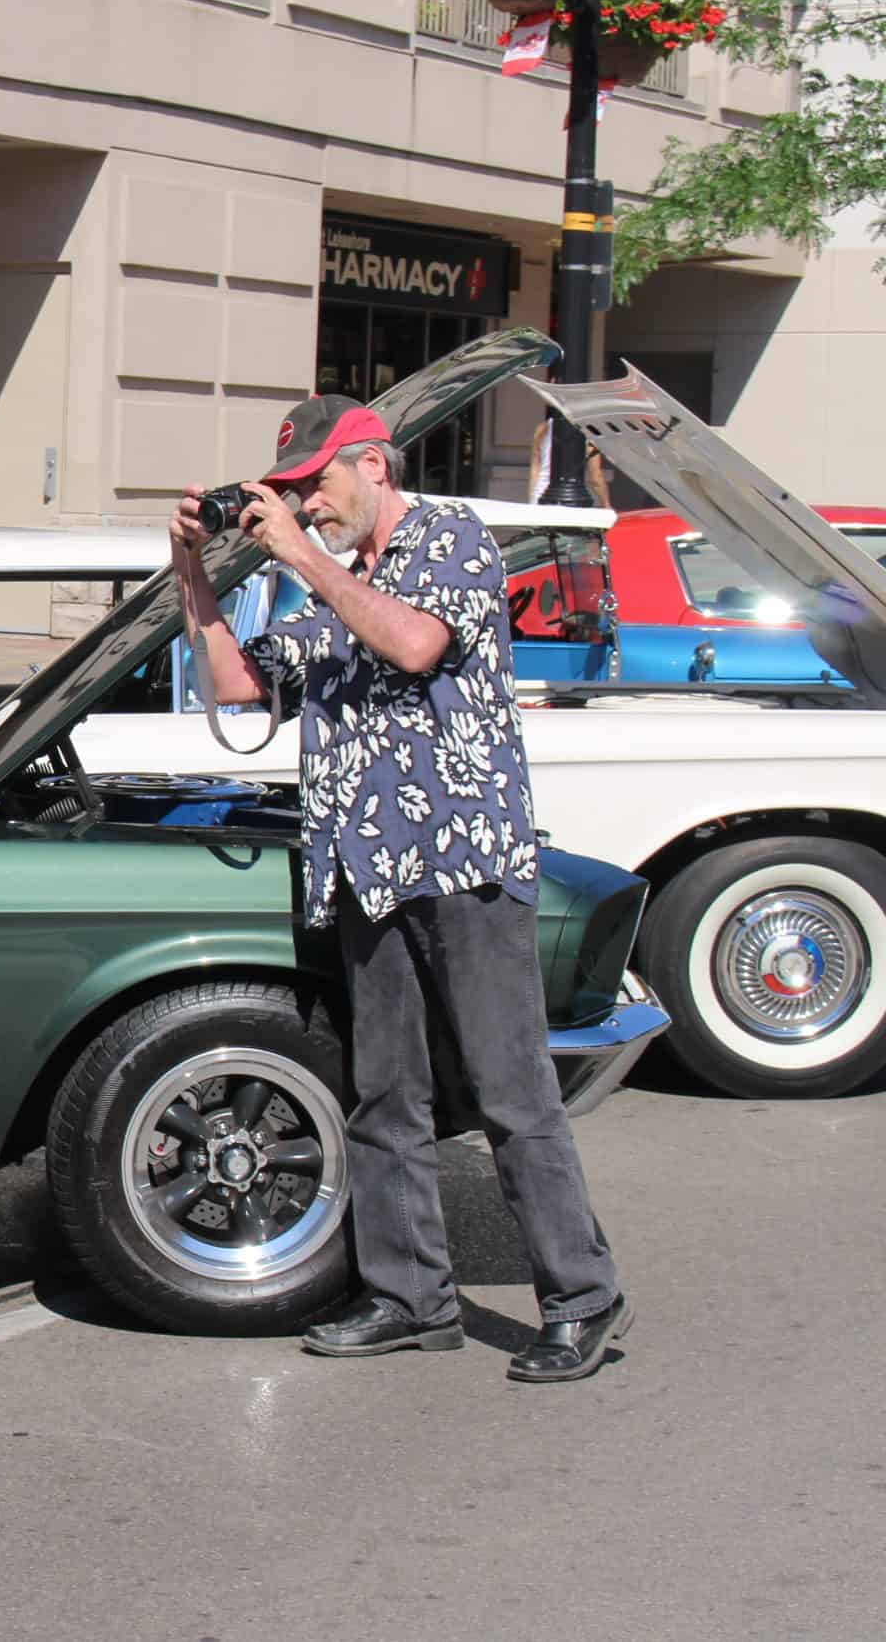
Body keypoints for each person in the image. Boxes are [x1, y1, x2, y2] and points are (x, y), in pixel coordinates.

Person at [169, 395, 630, 1384]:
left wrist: (299, 555)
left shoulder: (451, 539)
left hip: (462, 863)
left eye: (316, 484)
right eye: (290, 492)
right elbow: (237, 687)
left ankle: (581, 1298)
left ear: (372, 465)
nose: (305, 503)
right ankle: (409, 1296)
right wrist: (192, 572)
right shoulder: (335, 581)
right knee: (385, 1100)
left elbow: (417, 646)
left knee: (511, 1094)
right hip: (364, 874)